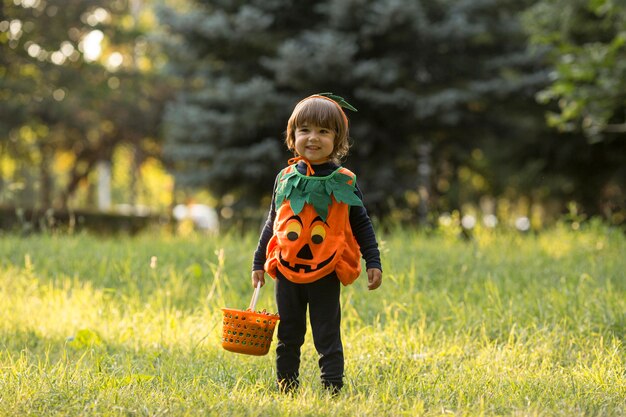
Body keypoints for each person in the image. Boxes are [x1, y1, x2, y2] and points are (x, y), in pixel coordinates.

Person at [251, 93, 383, 395]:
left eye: (324, 131)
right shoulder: (284, 178)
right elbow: (273, 221)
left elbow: (361, 223)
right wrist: (259, 262)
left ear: (338, 139)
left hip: (325, 269)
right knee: (288, 333)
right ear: (292, 135)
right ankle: (286, 386)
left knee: (327, 333)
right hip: (286, 267)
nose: (313, 138)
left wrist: (372, 261)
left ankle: (332, 388)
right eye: (305, 130)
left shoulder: (343, 180)